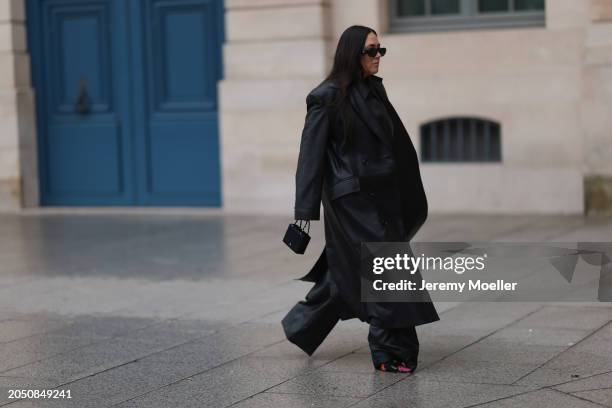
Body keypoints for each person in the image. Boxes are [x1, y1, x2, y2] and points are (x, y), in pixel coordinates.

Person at [281, 25, 440, 373]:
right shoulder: (325, 97)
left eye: (381, 49)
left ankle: (302, 325)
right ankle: (389, 352)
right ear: (352, 54)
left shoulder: (373, 90)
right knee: (387, 270)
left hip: (384, 197)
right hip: (352, 201)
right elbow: (310, 158)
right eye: (371, 51)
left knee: (349, 271)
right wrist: (304, 214)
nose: (378, 57)